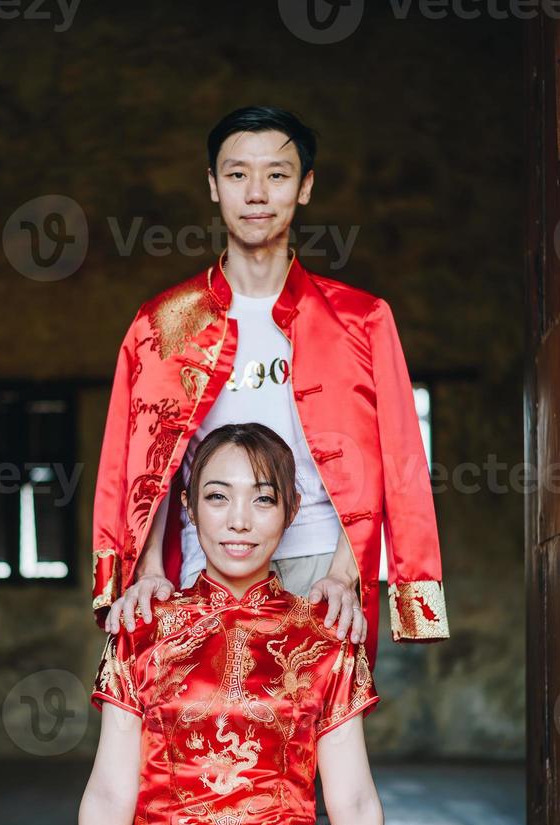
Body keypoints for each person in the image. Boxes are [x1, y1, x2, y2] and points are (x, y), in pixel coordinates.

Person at [0, 424, 478, 825]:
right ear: (187, 507)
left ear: (291, 512)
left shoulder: (326, 637)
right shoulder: (142, 632)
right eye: (218, 496)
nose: (240, 520)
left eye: (263, 498)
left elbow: (354, 801)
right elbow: (110, 794)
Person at [92, 105, 449, 677]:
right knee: (207, 746)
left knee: (313, 746)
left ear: (305, 187)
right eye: (237, 174)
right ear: (213, 185)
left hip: (318, 561)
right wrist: (150, 569)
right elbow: (143, 461)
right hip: (204, 558)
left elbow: (394, 459)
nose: (256, 192)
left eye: (277, 175)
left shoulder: (360, 320)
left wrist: (344, 574)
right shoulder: (163, 324)